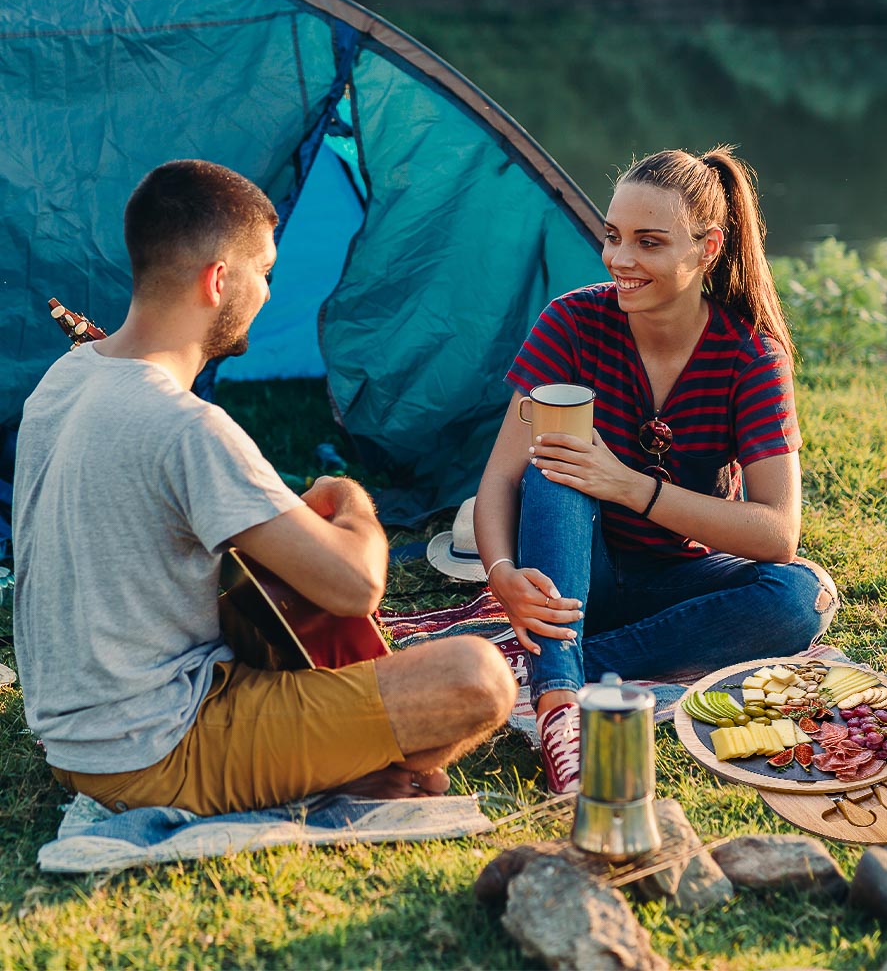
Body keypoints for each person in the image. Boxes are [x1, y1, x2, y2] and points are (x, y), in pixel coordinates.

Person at [13, 160, 516, 815]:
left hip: (79, 735)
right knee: (479, 678)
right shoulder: (186, 427)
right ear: (219, 280)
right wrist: (350, 499)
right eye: (265, 272)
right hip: (153, 749)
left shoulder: (66, 379)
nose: (269, 295)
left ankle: (345, 762)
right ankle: (350, 767)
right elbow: (355, 585)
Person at [475, 146, 839, 793]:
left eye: (648, 243)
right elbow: (502, 478)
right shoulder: (571, 323)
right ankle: (560, 709)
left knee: (801, 596)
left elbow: (777, 533)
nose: (620, 258)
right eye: (613, 236)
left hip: (681, 582)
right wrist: (501, 573)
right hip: (578, 569)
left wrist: (629, 486)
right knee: (555, 469)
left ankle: (563, 659)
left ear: (707, 248)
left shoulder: (751, 356)